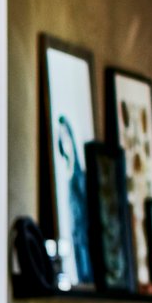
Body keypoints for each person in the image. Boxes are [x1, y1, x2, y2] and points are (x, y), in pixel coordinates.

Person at [57, 115, 92, 284]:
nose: (66, 145)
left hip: (82, 234)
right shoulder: (64, 177)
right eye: (62, 139)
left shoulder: (79, 178)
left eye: (67, 138)